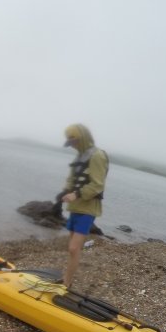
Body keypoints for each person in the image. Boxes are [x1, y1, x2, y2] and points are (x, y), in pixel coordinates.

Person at [58, 123, 108, 288]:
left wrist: (77, 194)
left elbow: (97, 185)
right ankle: (67, 278)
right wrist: (64, 192)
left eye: (74, 142)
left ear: (81, 138)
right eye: (70, 144)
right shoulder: (79, 157)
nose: (72, 146)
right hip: (75, 207)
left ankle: (66, 283)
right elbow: (72, 179)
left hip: (87, 208)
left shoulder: (97, 155)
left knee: (74, 248)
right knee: (72, 247)